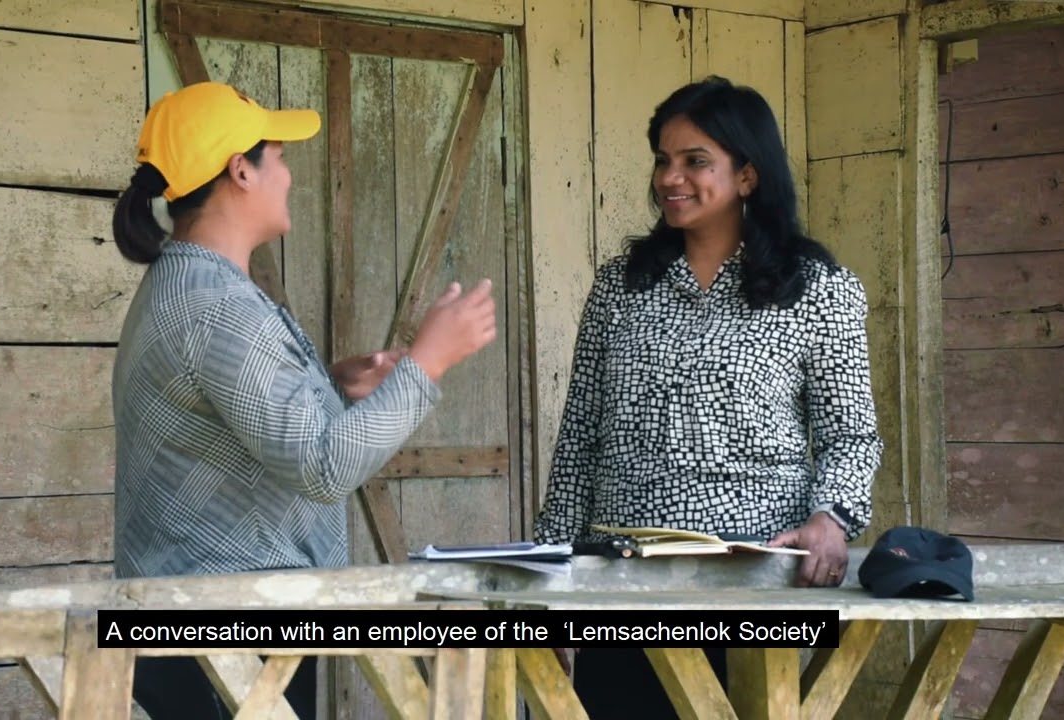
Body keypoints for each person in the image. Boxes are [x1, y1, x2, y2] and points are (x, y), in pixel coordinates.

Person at [109, 81, 496, 719]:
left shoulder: (184, 285)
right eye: (280, 157)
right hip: (230, 638)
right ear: (240, 170)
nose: (289, 175)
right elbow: (322, 467)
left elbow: (228, 422)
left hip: (198, 630)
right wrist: (429, 362)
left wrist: (332, 387)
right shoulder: (221, 308)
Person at [533, 76, 883, 717]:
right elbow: (580, 435)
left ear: (747, 176)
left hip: (756, 582)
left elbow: (850, 432)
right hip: (623, 581)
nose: (672, 177)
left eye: (696, 161)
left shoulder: (820, 289)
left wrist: (832, 518)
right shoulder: (622, 285)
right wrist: (549, 583)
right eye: (664, 160)